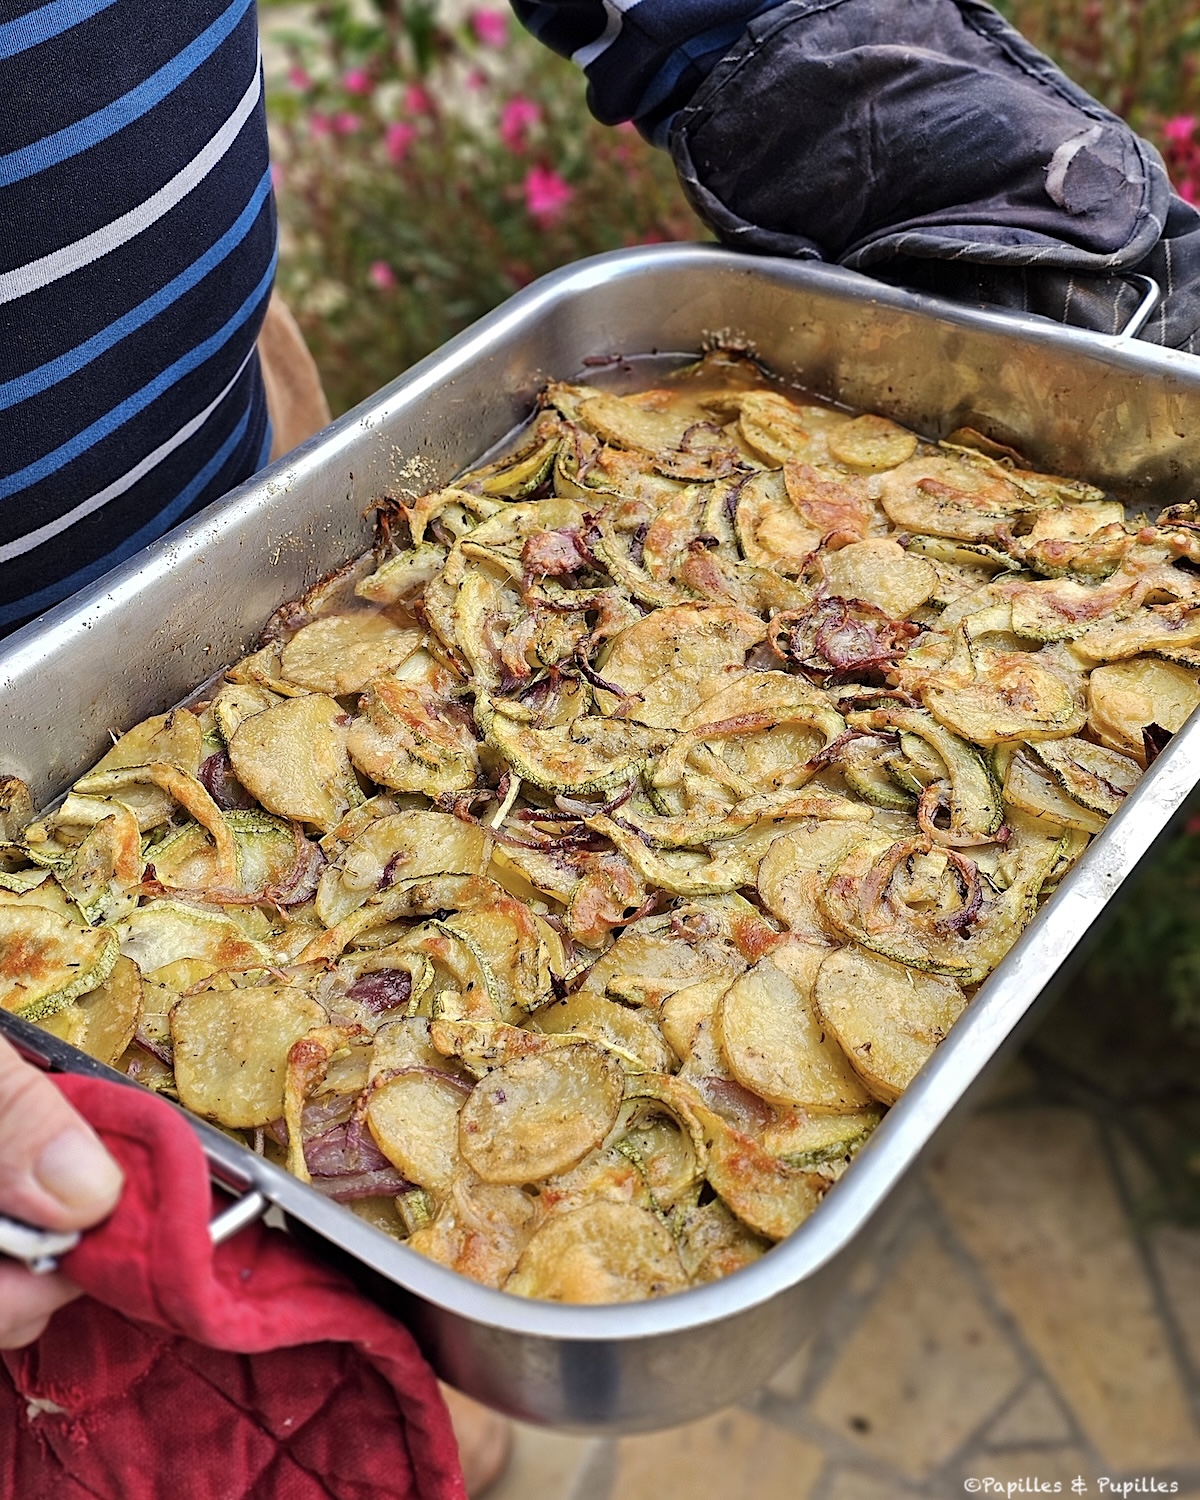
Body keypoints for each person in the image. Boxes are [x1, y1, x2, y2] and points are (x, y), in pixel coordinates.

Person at [2, 0, 1199, 1458]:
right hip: (110, 787)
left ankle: (411, 1355)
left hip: (228, 502)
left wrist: (938, 136)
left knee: (371, 1335)